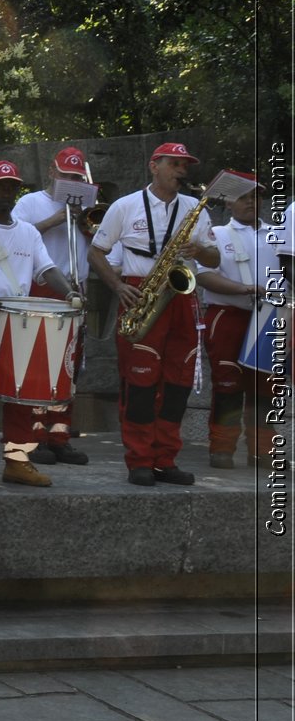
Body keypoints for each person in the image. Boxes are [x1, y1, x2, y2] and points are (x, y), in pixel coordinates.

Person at [88, 142, 221, 485]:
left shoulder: (195, 206)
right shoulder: (125, 205)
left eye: (184, 165)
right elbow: (96, 252)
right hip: (139, 290)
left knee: (178, 383)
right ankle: (140, 460)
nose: (182, 170)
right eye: (174, 164)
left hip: (182, 294)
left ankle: (166, 459)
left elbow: (214, 260)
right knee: (141, 383)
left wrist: (201, 249)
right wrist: (118, 287)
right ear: (154, 166)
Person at [0, 161, 79, 487]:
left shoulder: (29, 232)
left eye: (12, 187)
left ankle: (17, 461)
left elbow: (47, 270)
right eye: (0, 187)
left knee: (23, 393)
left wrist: (71, 294)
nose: (6, 193)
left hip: (21, 323)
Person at [194, 175, 288, 468]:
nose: (251, 202)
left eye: (256, 196)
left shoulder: (279, 234)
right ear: (229, 201)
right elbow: (203, 275)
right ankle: (222, 448)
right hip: (228, 316)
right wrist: (244, 289)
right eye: (244, 197)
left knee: (267, 387)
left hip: (270, 316)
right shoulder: (217, 234)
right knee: (228, 384)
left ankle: (263, 450)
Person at [14, 146, 95, 465]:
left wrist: (87, 224)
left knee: (68, 365)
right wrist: (57, 219)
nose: (71, 181)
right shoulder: (30, 202)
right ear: (52, 171)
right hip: (43, 284)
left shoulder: (86, 208)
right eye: (66, 175)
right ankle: (35, 435)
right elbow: (17, 238)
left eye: (77, 177)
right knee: (38, 364)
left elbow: (99, 244)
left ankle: (60, 435)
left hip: (76, 286)